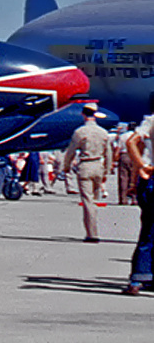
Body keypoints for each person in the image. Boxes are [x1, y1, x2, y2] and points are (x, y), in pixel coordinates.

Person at [63, 104, 111, 242]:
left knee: (88, 201)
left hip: (86, 166)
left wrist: (66, 167)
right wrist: (106, 171)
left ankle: (92, 233)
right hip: (98, 166)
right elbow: (108, 153)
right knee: (94, 200)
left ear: (83, 115)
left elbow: (71, 151)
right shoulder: (103, 132)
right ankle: (93, 228)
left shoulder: (80, 132)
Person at [122, 116, 154, 296]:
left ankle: (138, 278)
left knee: (148, 229)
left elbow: (132, 141)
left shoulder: (152, 121)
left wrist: (141, 166)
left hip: (151, 176)